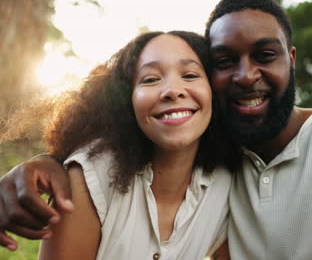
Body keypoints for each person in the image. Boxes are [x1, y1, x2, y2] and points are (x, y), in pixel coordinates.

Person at [1, 0, 312, 258]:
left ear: (292, 60)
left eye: (265, 55)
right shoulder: (219, 164)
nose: (245, 76)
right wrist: (50, 162)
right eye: (224, 62)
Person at [1, 30, 234, 259]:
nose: (172, 91)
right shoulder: (89, 181)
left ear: (214, 92)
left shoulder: (227, 185)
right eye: (151, 79)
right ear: (127, 101)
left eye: (191, 75)